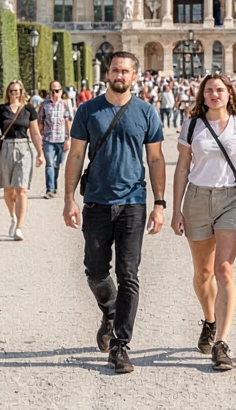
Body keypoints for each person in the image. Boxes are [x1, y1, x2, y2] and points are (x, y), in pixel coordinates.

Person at [62, 51, 166, 375]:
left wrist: (160, 203)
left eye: (125, 70)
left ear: (135, 76)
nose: (119, 74)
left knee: (129, 275)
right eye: (115, 69)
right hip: (95, 201)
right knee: (94, 272)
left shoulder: (146, 112)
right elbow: (76, 156)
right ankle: (110, 310)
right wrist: (68, 198)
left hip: (133, 202)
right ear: (107, 73)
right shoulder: (88, 110)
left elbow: (157, 160)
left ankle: (121, 346)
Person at [171, 74, 236, 371]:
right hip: (197, 198)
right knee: (202, 273)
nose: (214, 94)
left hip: (231, 200)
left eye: (219, 90)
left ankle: (221, 342)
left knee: (224, 269)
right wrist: (175, 209)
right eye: (209, 90)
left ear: (228, 94)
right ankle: (209, 320)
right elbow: (183, 166)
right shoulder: (192, 125)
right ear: (203, 95)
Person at [0, 80, 43, 240]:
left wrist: (40, 152)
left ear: (22, 92)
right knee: (8, 190)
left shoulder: (29, 109)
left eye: (17, 91)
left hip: (24, 148)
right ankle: (12, 217)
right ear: (8, 93)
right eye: (12, 91)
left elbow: (35, 133)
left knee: (21, 189)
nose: (15, 94)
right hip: (6, 148)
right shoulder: (1, 110)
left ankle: (19, 228)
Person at [38, 80, 74, 200]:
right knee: (49, 164)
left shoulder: (64, 104)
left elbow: (68, 122)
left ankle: (54, 184)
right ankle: (50, 189)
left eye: (57, 91)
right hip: (48, 139)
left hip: (61, 139)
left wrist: (68, 140)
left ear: (61, 91)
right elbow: (40, 122)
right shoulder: (44, 105)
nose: (54, 93)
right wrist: (39, 138)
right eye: (52, 91)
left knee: (57, 165)